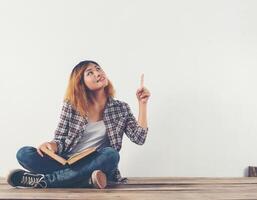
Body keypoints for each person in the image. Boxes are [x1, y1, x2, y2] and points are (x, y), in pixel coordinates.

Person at [7, 60, 150, 189]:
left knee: (111, 154)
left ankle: (46, 181)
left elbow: (139, 138)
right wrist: (51, 146)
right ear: (81, 83)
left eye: (98, 69)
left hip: (96, 163)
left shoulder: (121, 108)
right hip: (66, 161)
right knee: (24, 153)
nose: (98, 73)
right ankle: (86, 181)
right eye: (90, 73)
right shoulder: (72, 106)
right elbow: (60, 139)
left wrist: (142, 104)